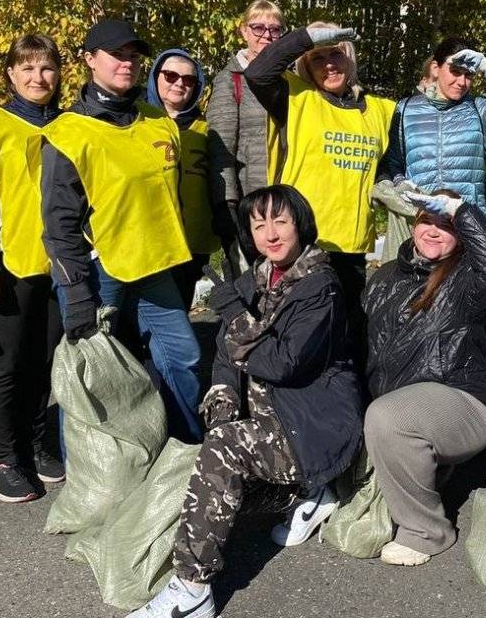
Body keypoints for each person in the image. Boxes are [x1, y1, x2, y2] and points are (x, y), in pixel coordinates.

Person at [128, 186, 362, 618]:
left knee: (222, 451)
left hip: (314, 427)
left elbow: (278, 364)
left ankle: (192, 589)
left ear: (301, 225)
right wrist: (222, 402)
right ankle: (302, 492)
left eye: (280, 222)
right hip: (275, 416)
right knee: (210, 449)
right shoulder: (256, 279)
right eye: (258, 225)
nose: (270, 234)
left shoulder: (320, 288)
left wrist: (236, 314)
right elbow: (224, 352)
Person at [40, 19, 205, 442]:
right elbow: (59, 227)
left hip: (156, 266)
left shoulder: (158, 121)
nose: (127, 63)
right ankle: (86, 475)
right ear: (89, 59)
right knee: (95, 377)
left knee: (182, 358)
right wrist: (76, 294)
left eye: (133, 56)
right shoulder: (66, 134)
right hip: (100, 273)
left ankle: (184, 448)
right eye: (116, 54)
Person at [361, 190, 486, 566]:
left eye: (445, 225)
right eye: (426, 222)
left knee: (388, 418)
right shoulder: (385, 276)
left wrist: (460, 210)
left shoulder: (471, 281)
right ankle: (426, 468)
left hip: (462, 406)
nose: (434, 231)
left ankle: (427, 532)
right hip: (402, 407)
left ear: (462, 234)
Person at [0, 34, 65, 503]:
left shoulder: (69, 125)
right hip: (7, 267)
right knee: (6, 364)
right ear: (10, 74)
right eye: (26, 68)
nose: (36, 77)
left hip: (58, 265)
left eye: (45, 68)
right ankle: (0, 457)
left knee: (45, 362)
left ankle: (35, 440)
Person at [243, 21, 395, 334]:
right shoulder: (296, 98)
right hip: (302, 241)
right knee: (298, 330)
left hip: (351, 242)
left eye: (336, 54)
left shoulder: (382, 110)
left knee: (346, 329)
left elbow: (389, 164)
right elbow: (257, 73)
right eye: (317, 57)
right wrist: (305, 37)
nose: (328, 64)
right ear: (307, 67)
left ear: (349, 58)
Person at [380, 36, 486, 212]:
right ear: (435, 68)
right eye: (456, 72)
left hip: (469, 220)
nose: (462, 82)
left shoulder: (478, 108)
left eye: (469, 75)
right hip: (423, 221)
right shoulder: (405, 109)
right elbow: (393, 161)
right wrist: (401, 184)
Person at [206, 0, 286, 271]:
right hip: (249, 199)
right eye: (258, 27)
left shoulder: (290, 78)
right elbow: (221, 148)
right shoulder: (231, 79)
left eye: (275, 29)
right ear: (243, 31)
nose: (267, 35)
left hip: (285, 195)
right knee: (251, 277)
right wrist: (227, 203)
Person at [146, 47, 219, 306]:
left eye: (189, 80)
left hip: (192, 239)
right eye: (171, 76)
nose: (179, 83)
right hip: (149, 239)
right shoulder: (138, 122)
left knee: (179, 308)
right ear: (155, 77)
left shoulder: (206, 129)